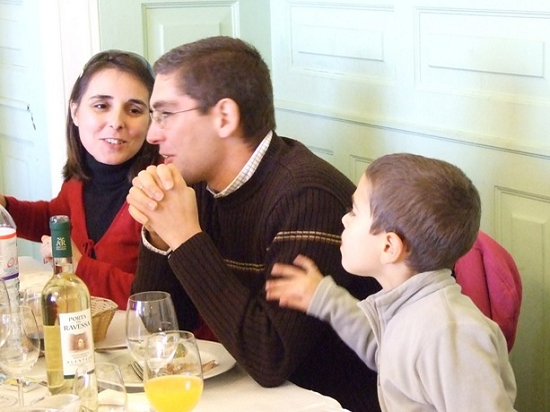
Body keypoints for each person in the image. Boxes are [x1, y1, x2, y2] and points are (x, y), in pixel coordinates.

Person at [127, 36, 382, 412]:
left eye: (166, 114)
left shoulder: (307, 197)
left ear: (225, 117)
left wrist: (184, 236)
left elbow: (271, 358)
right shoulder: (194, 185)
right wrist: (158, 234)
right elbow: (161, 335)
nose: (152, 134)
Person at [265, 153, 518, 412]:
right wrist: (324, 298)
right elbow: (385, 351)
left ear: (389, 247)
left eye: (354, 212)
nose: (344, 219)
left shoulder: (451, 334)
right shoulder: (409, 309)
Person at [0, 50, 159, 309]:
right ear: (75, 111)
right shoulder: (81, 173)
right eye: (101, 106)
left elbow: (159, 300)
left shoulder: (160, 189)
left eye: (134, 110)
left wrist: (80, 266)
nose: (116, 122)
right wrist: (6, 206)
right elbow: (57, 219)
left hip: (134, 330)